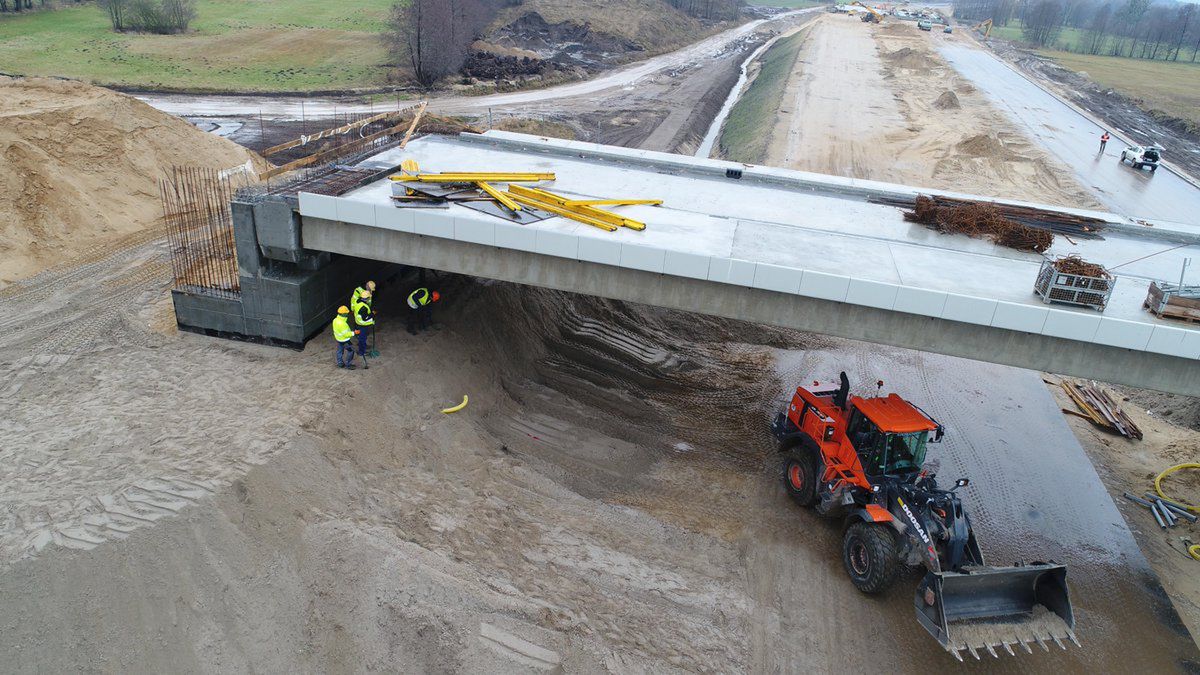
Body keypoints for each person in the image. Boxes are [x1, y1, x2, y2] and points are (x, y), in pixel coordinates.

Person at [351, 289, 375, 359]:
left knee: (361, 338)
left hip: (358, 323)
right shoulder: (363, 307)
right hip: (362, 325)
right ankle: (361, 352)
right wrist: (372, 314)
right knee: (362, 338)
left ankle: (363, 347)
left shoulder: (357, 301)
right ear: (366, 298)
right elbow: (365, 318)